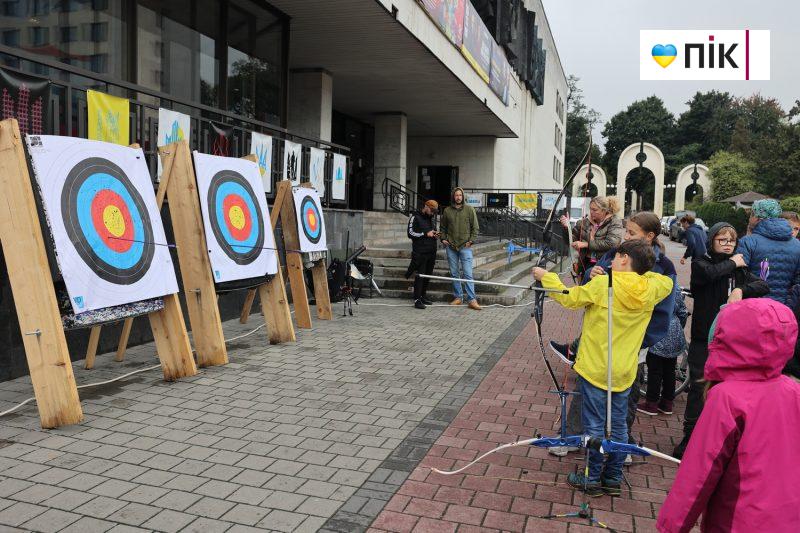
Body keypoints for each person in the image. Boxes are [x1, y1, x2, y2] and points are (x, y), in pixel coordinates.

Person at [533, 240, 673, 497]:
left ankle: (592, 478)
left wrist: (546, 277)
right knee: (618, 425)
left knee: (595, 426)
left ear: (623, 259)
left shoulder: (603, 284)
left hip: (597, 369)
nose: (610, 262)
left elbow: (569, 298)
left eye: (616, 257)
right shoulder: (654, 286)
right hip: (624, 371)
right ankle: (613, 478)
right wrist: (639, 271)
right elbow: (665, 279)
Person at [657, 298, 800, 533]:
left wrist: (670, 527)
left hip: (738, 521)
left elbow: (698, 475)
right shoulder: (794, 390)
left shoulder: (727, 398)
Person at [547, 212, 677, 457]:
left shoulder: (664, 267)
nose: (624, 236)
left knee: (623, 402)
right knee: (585, 396)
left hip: (633, 347)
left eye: (631, 233)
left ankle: (618, 450)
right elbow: (590, 283)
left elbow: (664, 312)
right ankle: (574, 437)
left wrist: (639, 341)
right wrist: (592, 275)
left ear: (649, 236)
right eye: (625, 231)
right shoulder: (615, 255)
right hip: (599, 345)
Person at [673, 222, 769, 459]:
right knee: (698, 385)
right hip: (703, 337)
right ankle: (689, 437)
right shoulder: (702, 262)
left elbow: (762, 284)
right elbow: (707, 275)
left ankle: (715, 438)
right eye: (722, 240)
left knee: (722, 388)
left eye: (731, 241)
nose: (727, 245)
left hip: (731, 339)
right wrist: (733, 262)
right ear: (712, 241)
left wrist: (741, 291)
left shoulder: (739, 270)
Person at [636, 283, 688, 416]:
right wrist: (678, 326)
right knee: (670, 370)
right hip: (675, 331)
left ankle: (651, 403)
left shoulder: (654, 286)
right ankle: (667, 404)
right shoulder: (675, 286)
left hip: (658, 331)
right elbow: (683, 312)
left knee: (655, 370)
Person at [737, 199, 800, 304]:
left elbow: (738, 276)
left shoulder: (748, 241)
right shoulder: (797, 244)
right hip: (784, 310)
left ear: (758, 218)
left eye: (751, 215)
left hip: (753, 306)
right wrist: (790, 306)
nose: (749, 219)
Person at [559, 196, 624, 279]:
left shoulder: (614, 222)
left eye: (595, 210)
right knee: (584, 287)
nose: (591, 212)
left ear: (604, 210)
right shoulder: (584, 222)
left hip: (603, 263)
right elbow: (571, 241)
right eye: (590, 209)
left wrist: (586, 244)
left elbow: (612, 243)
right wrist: (566, 227)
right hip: (585, 262)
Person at [440, 187, 481, 310]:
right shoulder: (447, 211)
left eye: (460, 195)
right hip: (451, 247)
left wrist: (471, 241)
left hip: (465, 246)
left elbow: (475, 227)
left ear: (463, 197)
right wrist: (443, 239)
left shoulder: (469, 210)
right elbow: (443, 228)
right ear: (453, 196)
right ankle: (458, 297)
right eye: (456, 195)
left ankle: (472, 300)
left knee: (468, 273)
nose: (458, 197)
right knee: (454, 273)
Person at [406, 199, 439, 310]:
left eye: (434, 211)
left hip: (431, 252)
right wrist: (425, 234)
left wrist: (435, 234)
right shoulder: (415, 217)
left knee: (427, 275)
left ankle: (423, 296)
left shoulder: (431, 219)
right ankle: (417, 299)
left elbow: (431, 232)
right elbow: (410, 233)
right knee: (420, 276)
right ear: (426, 207)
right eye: (431, 210)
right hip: (420, 253)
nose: (433, 213)